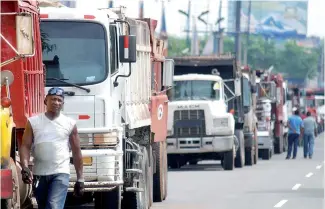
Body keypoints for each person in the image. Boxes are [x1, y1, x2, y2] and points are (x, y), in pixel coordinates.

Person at [19, 87, 85, 209]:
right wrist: (25, 167)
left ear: (63, 104)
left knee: (53, 206)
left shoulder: (70, 123)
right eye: (53, 99)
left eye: (60, 100)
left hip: (60, 172)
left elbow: (76, 152)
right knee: (43, 206)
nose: (56, 102)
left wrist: (80, 179)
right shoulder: (33, 122)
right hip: (40, 173)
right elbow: (25, 146)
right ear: (45, 101)